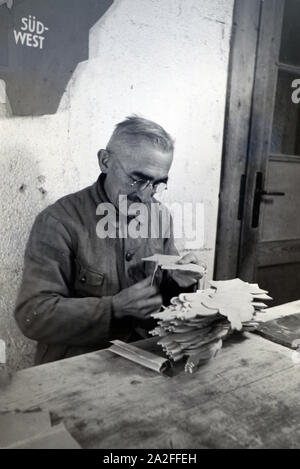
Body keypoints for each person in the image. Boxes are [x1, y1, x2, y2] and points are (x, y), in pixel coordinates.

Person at [14, 116, 206, 364]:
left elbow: (164, 301)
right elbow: (33, 315)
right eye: (137, 179)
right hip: (78, 364)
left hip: (148, 357)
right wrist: (112, 308)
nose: (146, 196)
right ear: (105, 161)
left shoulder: (159, 216)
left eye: (158, 184)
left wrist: (180, 283)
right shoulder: (58, 222)